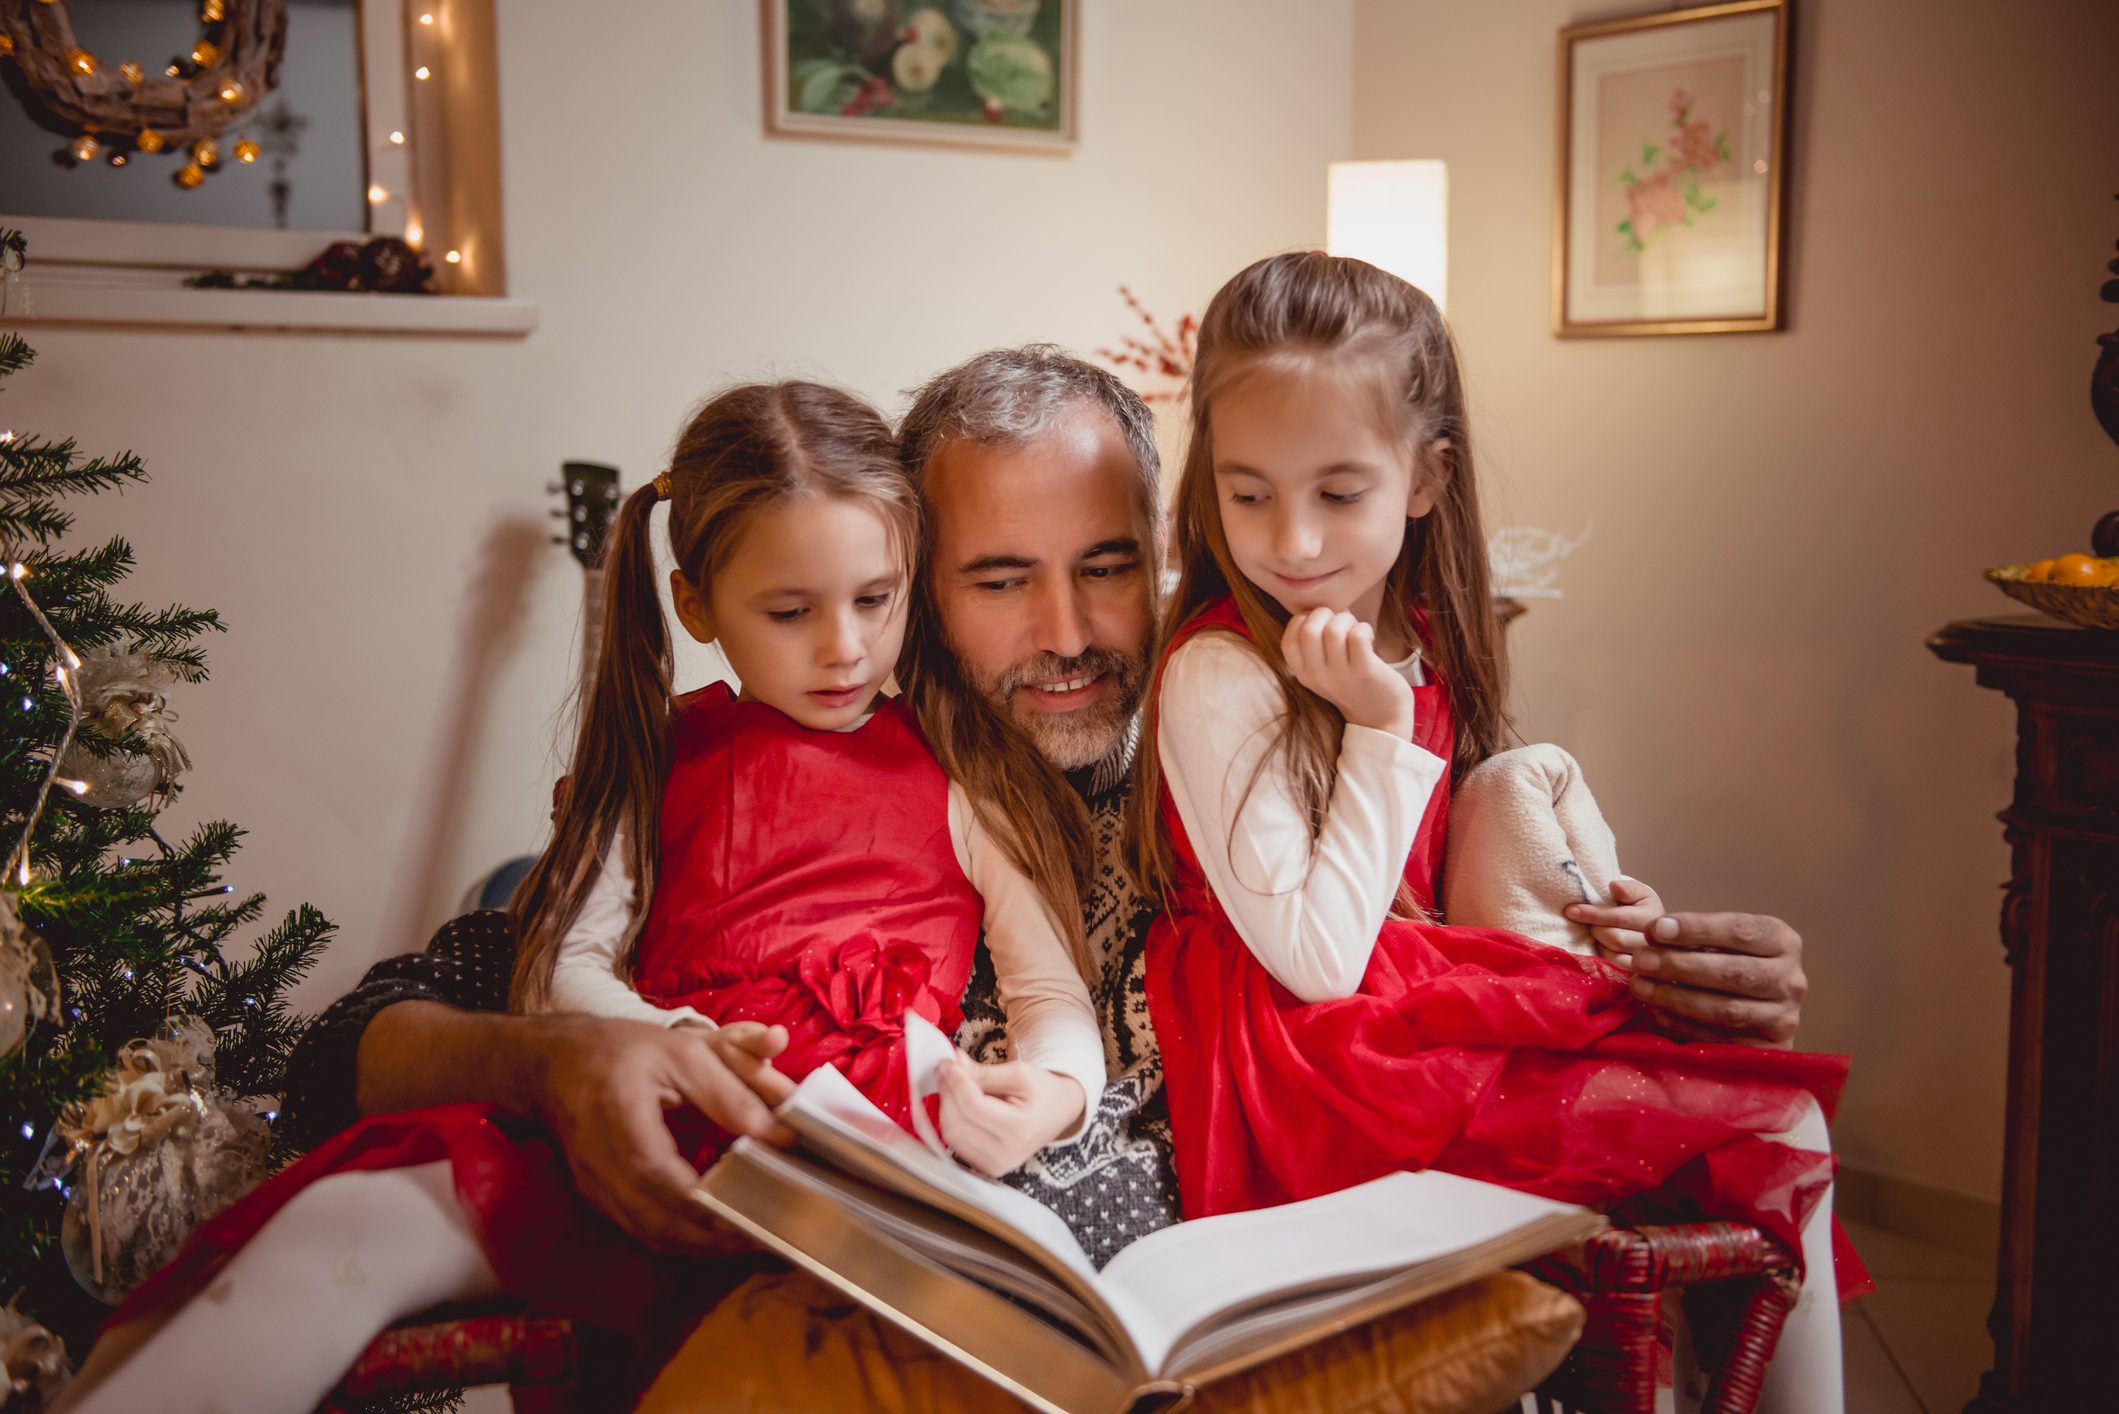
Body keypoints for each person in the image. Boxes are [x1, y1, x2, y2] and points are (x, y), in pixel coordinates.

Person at [257, 344, 1818, 1401]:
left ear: (1169, 550)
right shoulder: (804, 797)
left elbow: (1455, 954)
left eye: (1105, 566)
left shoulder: (1270, 759)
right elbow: (348, 1039)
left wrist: (1646, 960)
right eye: (999, 579)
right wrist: (551, 1057)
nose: (1066, 632)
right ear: (912, 592)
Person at [57, 381, 1105, 1414]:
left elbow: (1048, 990)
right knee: (352, 1229)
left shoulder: (963, 773)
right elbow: (559, 969)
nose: (843, 647)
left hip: (869, 1154)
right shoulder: (654, 764)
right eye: (790, 611)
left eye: (875, 600)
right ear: (694, 602)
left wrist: (1050, 1095)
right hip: (651, 1116)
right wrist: (670, 1042)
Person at [1131, 251, 1860, 1412]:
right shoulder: (1219, 670)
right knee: (1767, 1122)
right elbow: (1313, 958)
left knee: (1769, 1109)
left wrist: (1605, 921)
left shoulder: (1420, 638)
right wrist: (1374, 723)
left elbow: (1435, 868)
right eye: (1248, 489)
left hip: (1401, 1004)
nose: (1293, 539)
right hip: (1295, 1055)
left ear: (1425, 481)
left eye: (1338, 489)